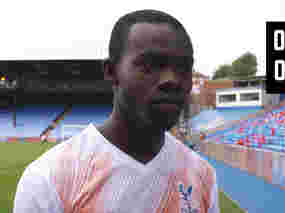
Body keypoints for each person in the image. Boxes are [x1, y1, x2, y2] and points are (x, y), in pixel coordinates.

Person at [14, 9, 220, 213]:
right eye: (149, 66)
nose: (171, 80)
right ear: (111, 72)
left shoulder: (202, 175)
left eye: (183, 68)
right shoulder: (48, 179)